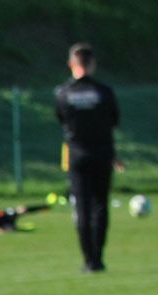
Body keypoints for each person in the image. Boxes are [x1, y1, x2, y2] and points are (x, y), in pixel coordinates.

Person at [54, 42, 122, 272]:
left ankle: (88, 260)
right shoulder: (104, 92)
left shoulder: (63, 93)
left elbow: (62, 121)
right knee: (100, 205)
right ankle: (99, 258)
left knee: (81, 207)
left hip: (76, 154)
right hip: (102, 152)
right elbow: (113, 122)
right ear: (92, 63)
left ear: (70, 64)